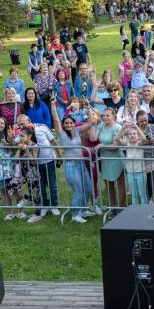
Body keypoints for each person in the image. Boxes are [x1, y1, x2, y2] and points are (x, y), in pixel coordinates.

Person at [50, 92, 95, 223]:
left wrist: (88, 107)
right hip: (71, 165)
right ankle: (76, 214)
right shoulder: (61, 134)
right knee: (78, 190)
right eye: (67, 123)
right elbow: (56, 120)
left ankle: (84, 209)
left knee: (88, 188)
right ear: (64, 125)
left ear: (74, 124)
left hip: (81, 164)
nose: (69, 125)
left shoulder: (77, 131)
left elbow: (91, 122)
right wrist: (53, 105)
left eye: (71, 123)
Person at [89, 107, 126, 213]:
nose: (105, 117)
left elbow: (115, 147)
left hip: (117, 159)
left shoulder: (117, 127)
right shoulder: (101, 125)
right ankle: (113, 208)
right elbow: (93, 138)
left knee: (120, 185)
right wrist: (92, 125)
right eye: (103, 115)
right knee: (109, 186)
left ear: (114, 116)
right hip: (105, 160)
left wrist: (102, 145)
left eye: (107, 115)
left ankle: (120, 208)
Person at [114, 122, 148, 205]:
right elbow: (117, 138)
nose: (132, 135)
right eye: (130, 134)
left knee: (142, 194)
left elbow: (144, 138)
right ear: (127, 136)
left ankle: (144, 211)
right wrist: (122, 128)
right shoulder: (127, 143)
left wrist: (136, 126)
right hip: (130, 172)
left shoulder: (139, 143)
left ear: (138, 136)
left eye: (134, 134)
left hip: (141, 172)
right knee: (134, 194)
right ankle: (135, 212)